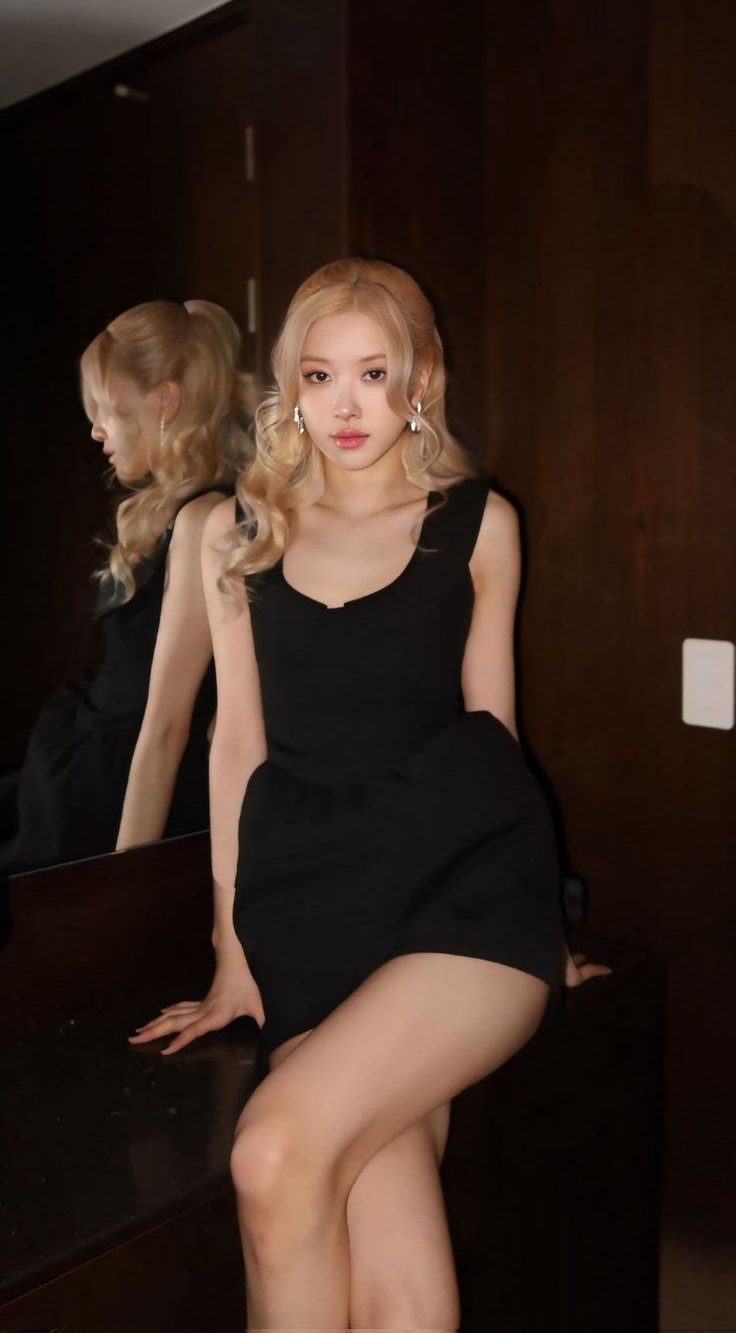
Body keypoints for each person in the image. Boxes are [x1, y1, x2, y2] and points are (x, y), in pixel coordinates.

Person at [132, 259, 610, 1329]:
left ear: (421, 379)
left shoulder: (478, 523)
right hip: (313, 903)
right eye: (317, 374)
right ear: (290, 389)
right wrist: (232, 947)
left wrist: (547, 911)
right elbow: (237, 745)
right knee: (401, 1300)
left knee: (270, 1151)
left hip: (464, 895)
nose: (345, 405)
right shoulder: (237, 532)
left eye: (373, 373)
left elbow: (496, 733)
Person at [10, 299, 254, 872]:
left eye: (109, 410)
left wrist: (123, 887)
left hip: (121, 786)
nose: (96, 430)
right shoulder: (176, 510)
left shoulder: (204, 520)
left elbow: (168, 725)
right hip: (90, 760)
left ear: (165, 401)